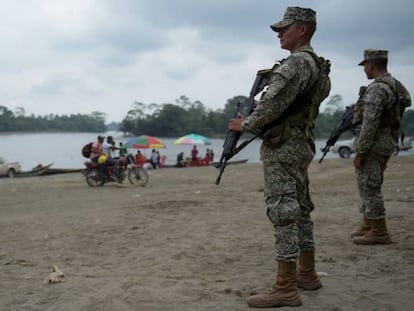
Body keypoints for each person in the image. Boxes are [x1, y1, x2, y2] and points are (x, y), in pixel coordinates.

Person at [228, 7, 331, 308]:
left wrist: (244, 124)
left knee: (283, 212)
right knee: (300, 208)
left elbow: (271, 104)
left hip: (283, 147)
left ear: (301, 29)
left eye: (284, 29)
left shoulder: (296, 63)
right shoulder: (318, 66)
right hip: (301, 143)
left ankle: (285, 286)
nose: (279, 34)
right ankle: (307, 273)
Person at [351, 49, 411, 245]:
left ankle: (379, 230)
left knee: (369, 186)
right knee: (369, 183)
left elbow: (369, 123)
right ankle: (369, 224)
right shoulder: (394, 84)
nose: (364, 71)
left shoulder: (377, 88)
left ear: (371, 65)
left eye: (365, 67)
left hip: (375, 143)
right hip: (387, 141)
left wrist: (360, 151)